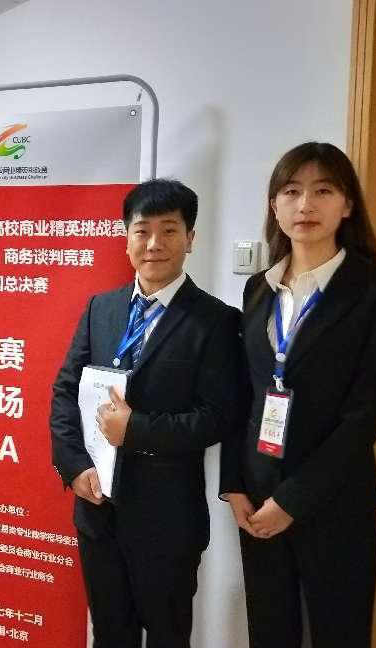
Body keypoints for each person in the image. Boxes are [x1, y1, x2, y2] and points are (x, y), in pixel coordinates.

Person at [220, 142, 376, 648]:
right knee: (269, 633)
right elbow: (245, 394)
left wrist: (292, 501)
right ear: (274, 205)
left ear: (347, 205)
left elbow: (364, 415)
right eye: (291, 191)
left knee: (340, 634)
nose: (305, 205)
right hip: (258, 499)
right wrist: (234, 486)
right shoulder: (258, 289)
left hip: (336, 502)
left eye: (323, 191)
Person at [50, 178, 244, 648]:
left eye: (169, 230)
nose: (154, 243)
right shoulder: (102, 308)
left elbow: (217, 416)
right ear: (127, 238)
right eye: (142, 230)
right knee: (110, 634)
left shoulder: (216, 321)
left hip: (167, 519)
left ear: (190, 239)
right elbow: (65, 392)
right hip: (98, 511)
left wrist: (134, 429)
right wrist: (74, 466)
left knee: (166, 636)